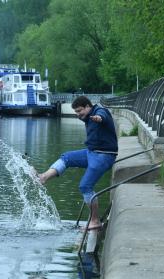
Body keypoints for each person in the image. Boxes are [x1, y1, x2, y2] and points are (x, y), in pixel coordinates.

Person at [37, 96, 118, 230]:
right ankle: (44, 177)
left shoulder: (100, 111)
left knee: (85, 186)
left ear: (88, 106)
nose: (78, 114)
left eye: (80, 111)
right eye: (76, 112)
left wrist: (99, 118)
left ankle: (95, 221)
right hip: (91, 152)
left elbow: (102, 115)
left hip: (104, 156)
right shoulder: (87, 116)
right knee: (67, 157)